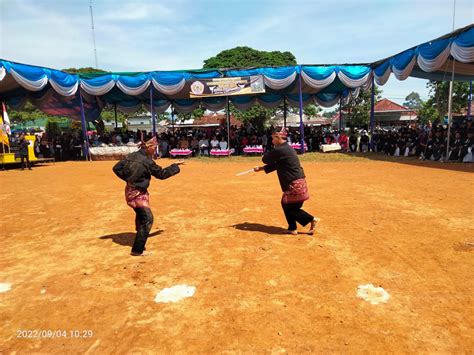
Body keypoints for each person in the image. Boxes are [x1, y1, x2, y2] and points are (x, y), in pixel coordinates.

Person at [113, 136, 184, 256]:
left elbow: (116, 168)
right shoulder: (147, 161)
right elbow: (161, 174)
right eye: (155, 147)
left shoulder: (131, 156)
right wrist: (175, 166)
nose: (156, 149)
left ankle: (139, 237)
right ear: (149, 147)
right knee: (147, 219)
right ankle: (137, 250)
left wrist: (128, 179)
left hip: (130, 190)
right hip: (138, 193)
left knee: (141, 215)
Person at [253, 128, 318, 235]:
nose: (272, 141)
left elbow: (265, 159)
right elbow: (277, 164)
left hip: (294, 182)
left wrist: (273, 149)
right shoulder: (286, 149)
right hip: (297, 181)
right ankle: (292, 228)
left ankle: (311, 219)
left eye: (273, 138)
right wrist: (261, 169)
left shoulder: (281, 149)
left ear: (278, 137)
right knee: (288, 205)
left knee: (289, 206)